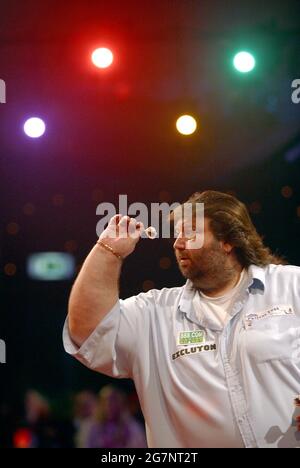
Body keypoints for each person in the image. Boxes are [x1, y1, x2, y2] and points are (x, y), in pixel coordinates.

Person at [63, 190, 300, 448]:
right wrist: (107, 251)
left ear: (228, 240)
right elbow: (87, 331)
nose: (177, 243)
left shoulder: (291, 286)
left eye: (190, 233)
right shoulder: (154, 314)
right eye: (177, 234)